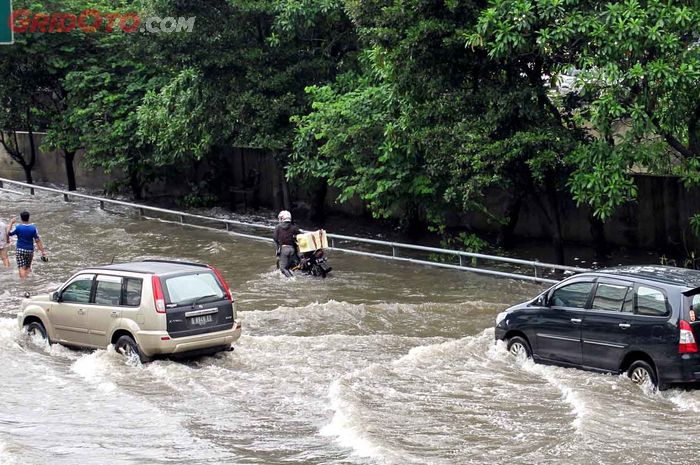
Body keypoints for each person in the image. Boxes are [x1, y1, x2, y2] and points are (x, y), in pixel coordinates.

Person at [8, 211, 47, 279]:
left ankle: (23, 281)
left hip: (20, 250)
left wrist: (11, 222)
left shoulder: (18, 227)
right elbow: (38, 241)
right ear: (28, 218)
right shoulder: (33, 228)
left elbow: (9, 233)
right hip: (30, 250)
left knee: (21, 267)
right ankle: (28, 280)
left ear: (21, 218)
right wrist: (43, 252)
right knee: (28, 266)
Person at [273, 210, 300, 277]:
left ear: (282, 218)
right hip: (292, 249)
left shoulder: (278, 227)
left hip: (284, 249)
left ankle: (292, 279)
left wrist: (278, 244)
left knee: (283, 268)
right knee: (296, 265)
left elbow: (275, 238)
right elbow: (300, 235)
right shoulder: (293, 227)